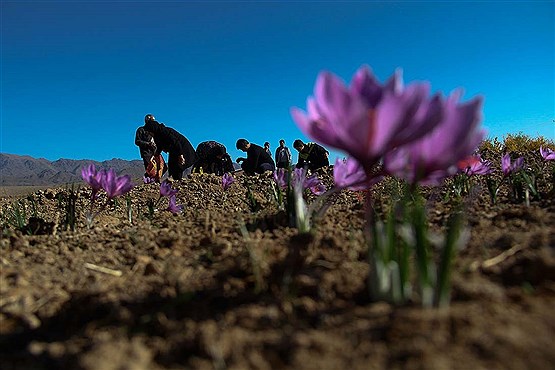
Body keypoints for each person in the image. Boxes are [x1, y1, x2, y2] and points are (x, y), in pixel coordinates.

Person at [143, 114, 197, 181]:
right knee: (171, 167)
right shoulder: (157, 136)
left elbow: (176, 142)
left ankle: (178, 183)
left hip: (183, 149)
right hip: (173, 150)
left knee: (178, 167)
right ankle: (174, 183)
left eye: (149, 132)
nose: (149, 134)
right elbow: (159, 147)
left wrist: (180, 155)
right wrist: (155, 156)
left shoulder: (165, 132)